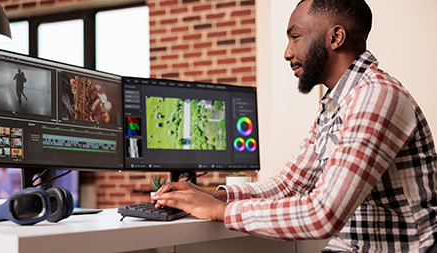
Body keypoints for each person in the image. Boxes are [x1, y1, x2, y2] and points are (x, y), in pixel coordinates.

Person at [152, 0, 437, 252]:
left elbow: (322, 214)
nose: (288, 53)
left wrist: (221, 211)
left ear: (336, 37)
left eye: (296, 37)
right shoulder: (335, 105)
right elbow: (290, 185)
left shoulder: (377, 95)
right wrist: (217, 195)